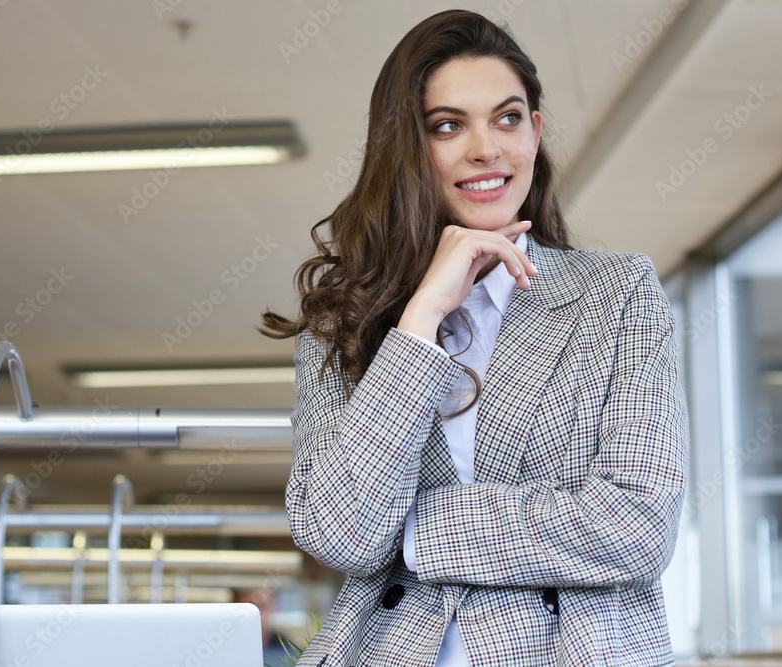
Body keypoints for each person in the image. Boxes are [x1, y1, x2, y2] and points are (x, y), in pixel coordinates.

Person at [258, 9, 689, 666]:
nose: (486, 148)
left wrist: (412, 532)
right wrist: (421, 316)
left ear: (535, 132)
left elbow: (637, 529)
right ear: (408, 148)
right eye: (448, 125)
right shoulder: (341, 320)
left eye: (508, 117)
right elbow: (341, 534)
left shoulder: (618, 294)